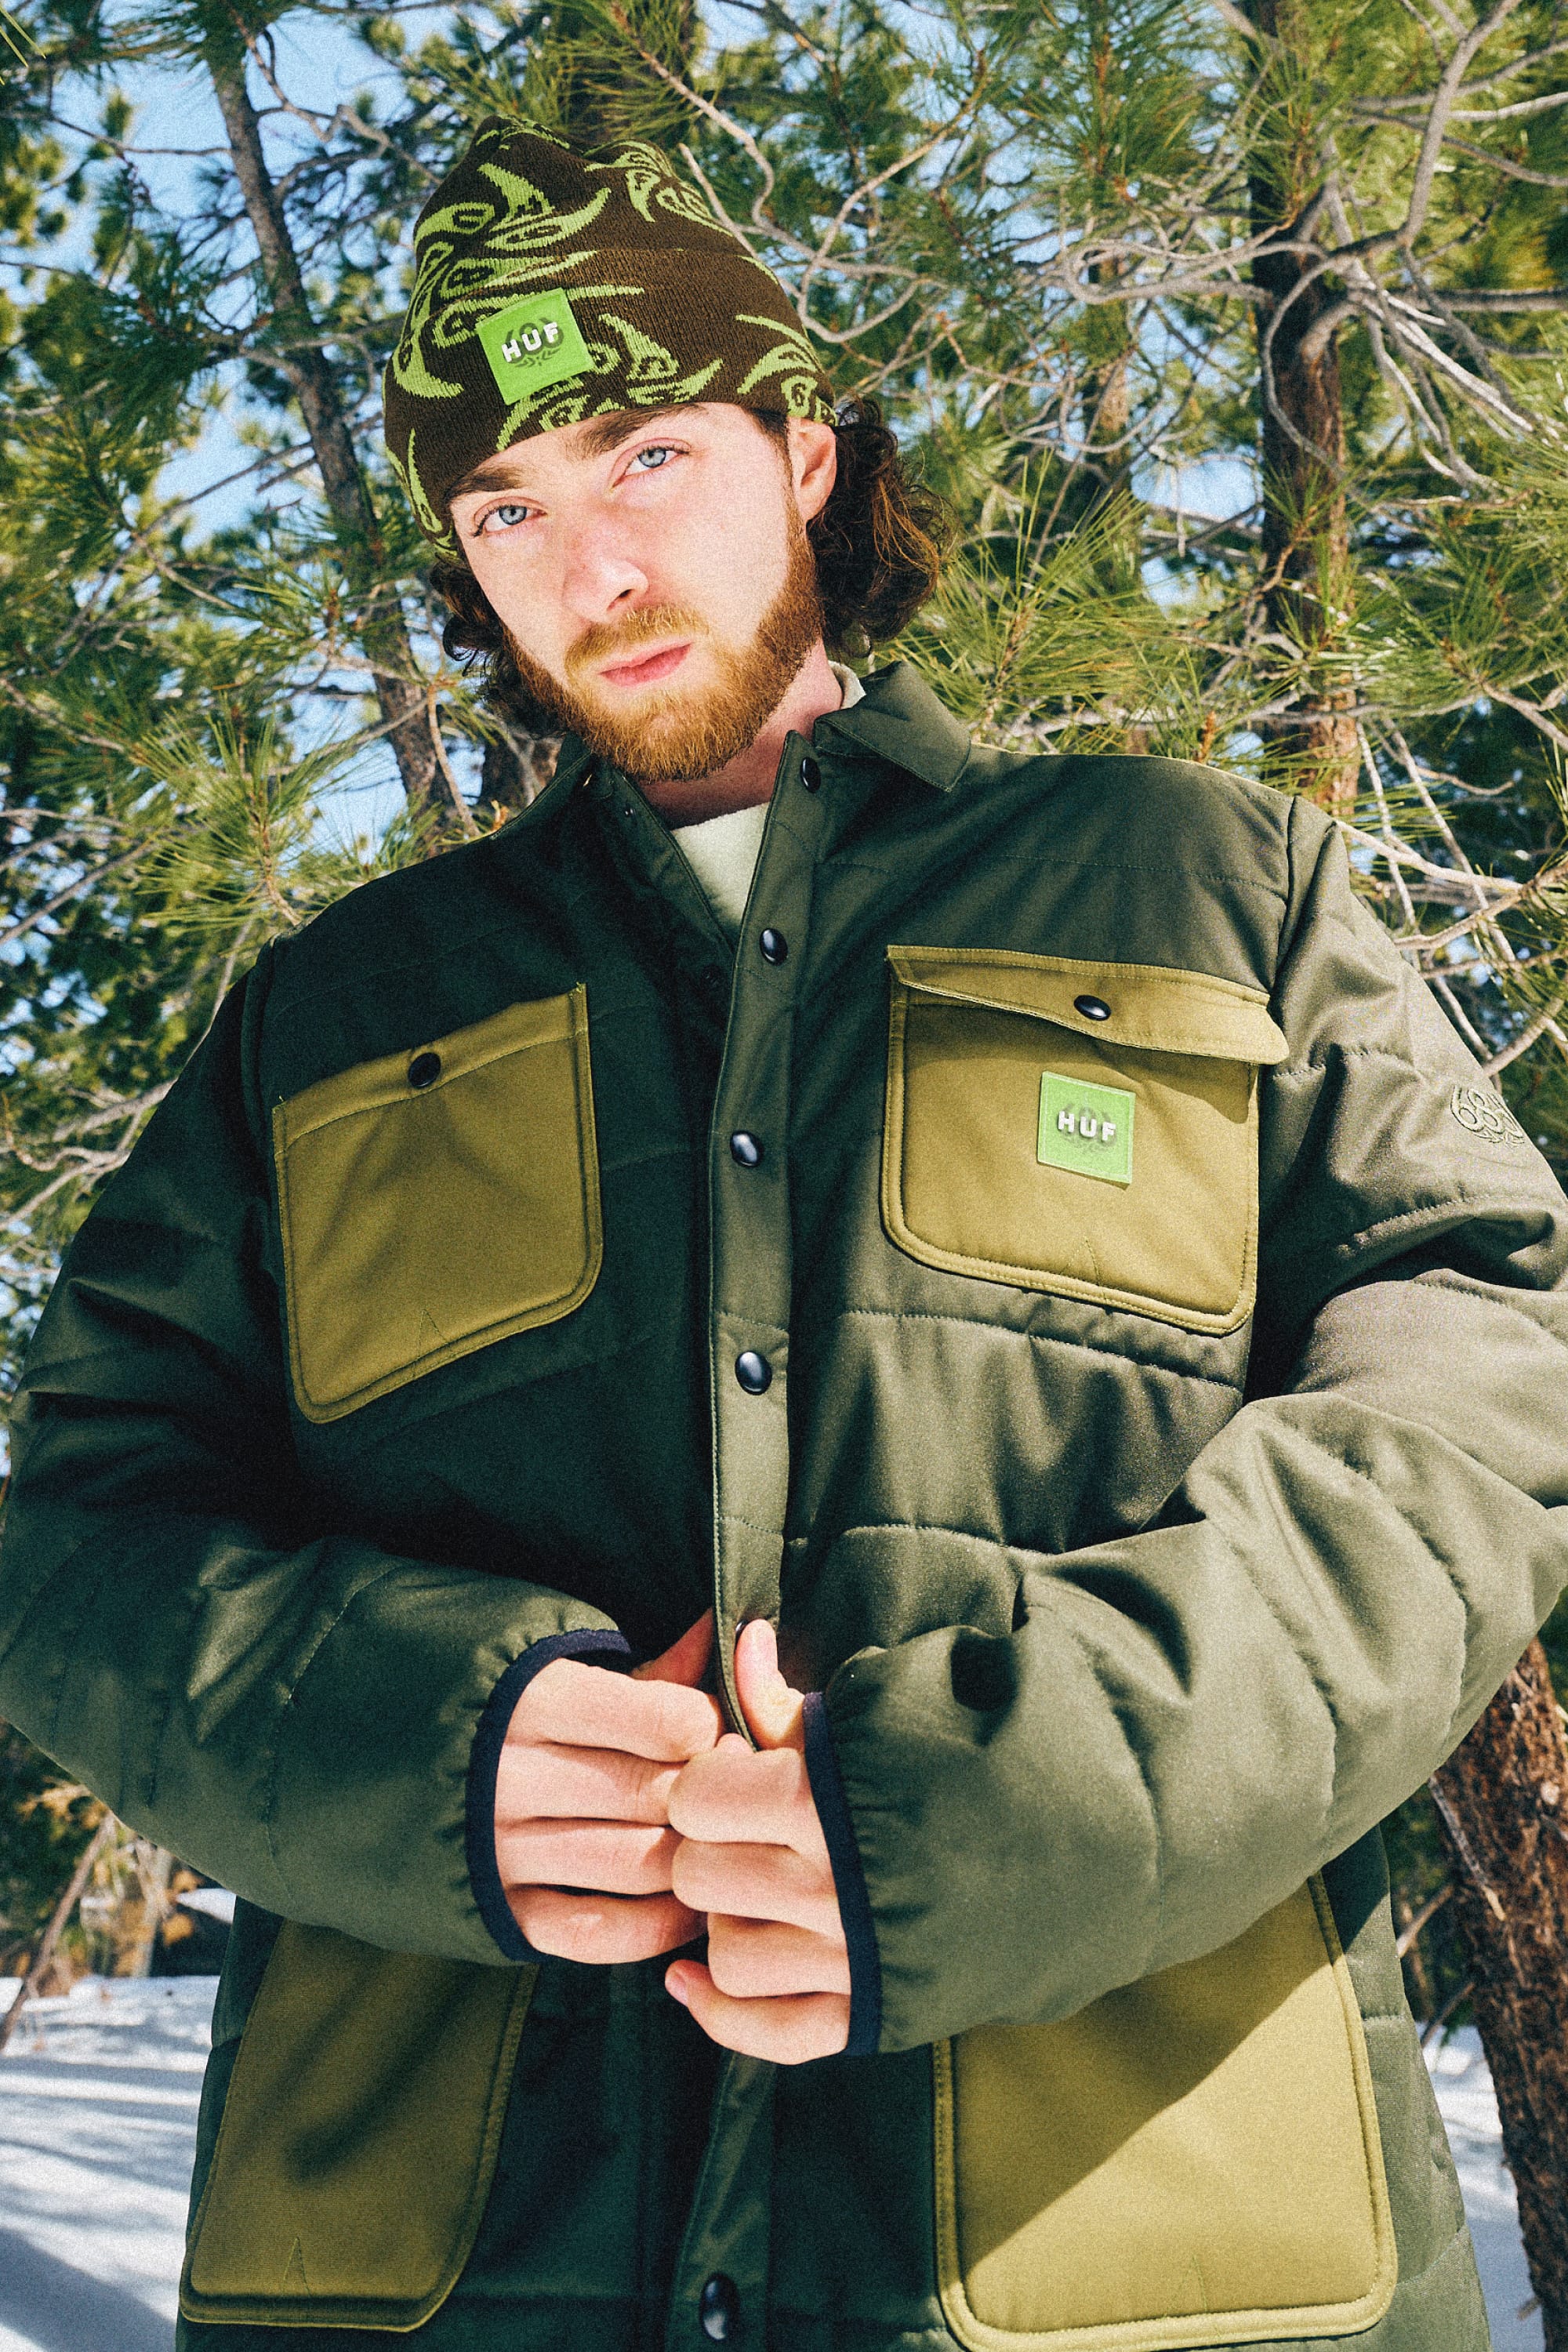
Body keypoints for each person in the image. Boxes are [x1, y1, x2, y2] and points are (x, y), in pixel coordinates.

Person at [1, 114, 1565, 2352]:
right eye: (507, 509)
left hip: (1156, 2267)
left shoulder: (1210, 889)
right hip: (460, 2284)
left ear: (808, 452)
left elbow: (1483, 1386)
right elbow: (83, 1539)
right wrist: (426, 1748)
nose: (591, 568)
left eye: (645, 456)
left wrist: (1022, 1789)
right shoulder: (330, 1024)